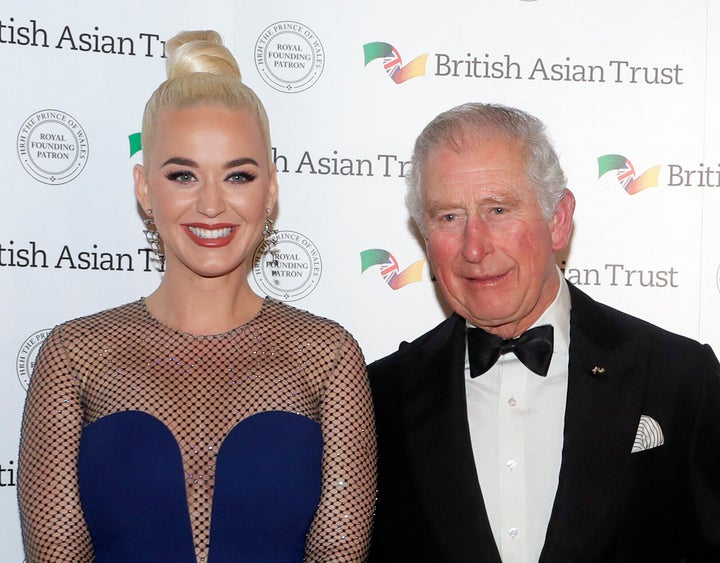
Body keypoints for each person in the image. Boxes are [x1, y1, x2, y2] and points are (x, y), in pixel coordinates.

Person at [18, 30, 376, 563]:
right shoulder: (76, 355)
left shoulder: (326, 356)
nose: (211, 204)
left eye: (238, 175)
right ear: (144, 187)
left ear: (271, 189)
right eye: (183, 174)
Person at [368, 102, 720, 562]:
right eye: (449, 217)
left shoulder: (680, 381)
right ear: (424, 233)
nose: (474, 247)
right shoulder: (377, 398)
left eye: (498, 209)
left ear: (557, 220)